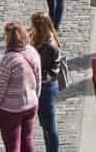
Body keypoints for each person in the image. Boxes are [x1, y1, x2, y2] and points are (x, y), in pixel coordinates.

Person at [0, 22, 41, 152]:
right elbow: (38, 79)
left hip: (11, 110)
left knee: (12, 146)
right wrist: (35, 97)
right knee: (27, 140)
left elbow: (0, 88)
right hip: (30, 105)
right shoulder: (32, 52)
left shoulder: (8, 60)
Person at [29, 12, 67, 152]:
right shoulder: (41, 39)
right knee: (45, 125)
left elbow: (42, 69)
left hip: (46, 88)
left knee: (49, 127)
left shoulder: (49, 46)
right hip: (42, 87)